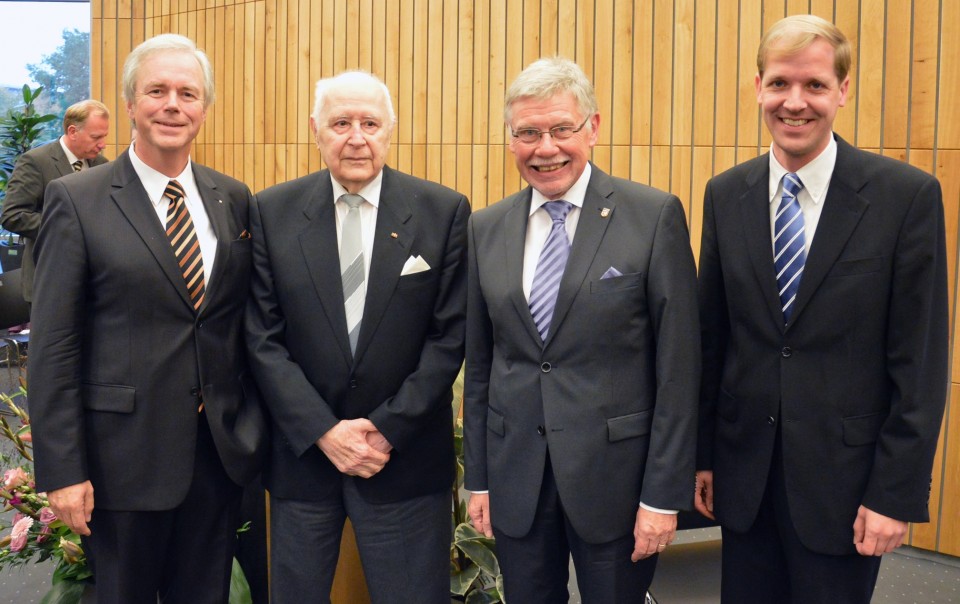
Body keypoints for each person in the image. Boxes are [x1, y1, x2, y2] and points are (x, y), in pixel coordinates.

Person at [695, 14, 948, 603]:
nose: (795, 102)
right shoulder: (725, 194)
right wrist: (703, 457)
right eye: (780, 83)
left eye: (814, 85)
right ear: (758, 87)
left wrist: (894, 493)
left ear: (843, 91)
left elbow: (921, 361)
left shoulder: (904, 197)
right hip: (745, 479)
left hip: (847, 486)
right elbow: (714, 338)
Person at [28, 34, 267, 604]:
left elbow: (240, 323)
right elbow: (54, 346)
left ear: (203, 108)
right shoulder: (76, 199)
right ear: (131, 103)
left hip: (216, 459)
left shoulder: (233, 198)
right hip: (120, 463)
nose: (172, 104)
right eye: (156, 90)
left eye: (188, 93)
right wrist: (62, 471)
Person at [463, 57, 700, 603]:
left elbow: (679, 371)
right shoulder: (486, 227)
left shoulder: (653, 216)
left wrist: (663, 496)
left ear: (592, 127)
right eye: (527, 133)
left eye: (560, 129)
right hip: (517, 480)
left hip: (616, 486)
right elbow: (481, 365)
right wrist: (478, 479)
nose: (545, 148)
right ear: (510, 139)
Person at [245, 70, 470, 604]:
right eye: (340, 122)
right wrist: (325, 431)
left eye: (370, 123)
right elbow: (262, 338)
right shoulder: (271, 211)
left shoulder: (443, 211)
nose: (356, 137)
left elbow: (450, 338)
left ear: (390, 130)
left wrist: (386, 428)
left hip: (405, 460)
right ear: (316, 131)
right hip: (305, 461)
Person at [0, 99, 110, 303]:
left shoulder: (102, 165)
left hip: (95, 285)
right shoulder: (36, 161)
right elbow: (12, 215)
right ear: (72, 131)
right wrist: (68, 229)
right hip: (49, 283)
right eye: (96, 137)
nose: (102, 145)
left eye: (104, 136)